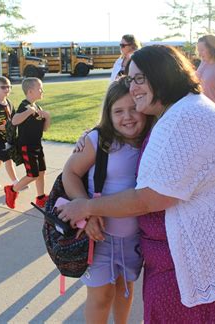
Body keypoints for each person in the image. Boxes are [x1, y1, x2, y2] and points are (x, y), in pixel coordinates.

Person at [59, 45, 215, 323]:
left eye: (138, 78)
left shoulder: (183, 119)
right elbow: (113, 130)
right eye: (128, 78)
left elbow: (149, 199)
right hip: (192, 249)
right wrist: (93, 133)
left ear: (161, 75)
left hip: (207, 255)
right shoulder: (178, 111)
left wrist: (86, 206)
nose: (132, 86)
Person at [62, 79, 149, 324]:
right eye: (118, 111)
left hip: (134, 237)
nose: (128, 117)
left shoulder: (151, 139)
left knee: (125, 289)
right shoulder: (98, 140)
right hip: (99, 236)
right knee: (101, 296)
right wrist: (85, 213)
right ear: (108, 115)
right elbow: (70, 173)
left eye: (133, 108)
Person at [3, 77, 51, 209]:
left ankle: (41, 197)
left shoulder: (37, 106)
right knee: (32, 174)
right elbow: (14, 121)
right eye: (39, 88)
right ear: (30, 91)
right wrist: (28, 111)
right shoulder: (24, 105)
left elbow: (44, 128)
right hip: (26, 146)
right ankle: (12, 190)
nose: (42, 91)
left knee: (41, 171)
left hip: (37, 145)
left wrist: (47, 117)